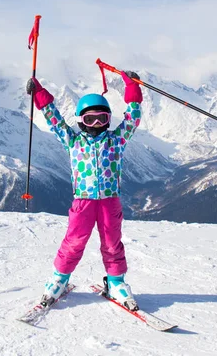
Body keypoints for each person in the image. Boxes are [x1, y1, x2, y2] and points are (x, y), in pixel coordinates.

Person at [26, 70, 143, 310]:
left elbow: (132, 118)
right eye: (90, 120)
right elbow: (54, 120)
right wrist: (39, 94)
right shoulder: (73, 141)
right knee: (74, 241)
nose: (97, 124)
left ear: (109, 119)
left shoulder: (117, 140)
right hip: (83, 202)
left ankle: (116, 281)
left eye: (102, 118)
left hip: (110, 201)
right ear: (81, 121)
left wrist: (132, 88)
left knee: (112, 242)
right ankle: (60, 278)